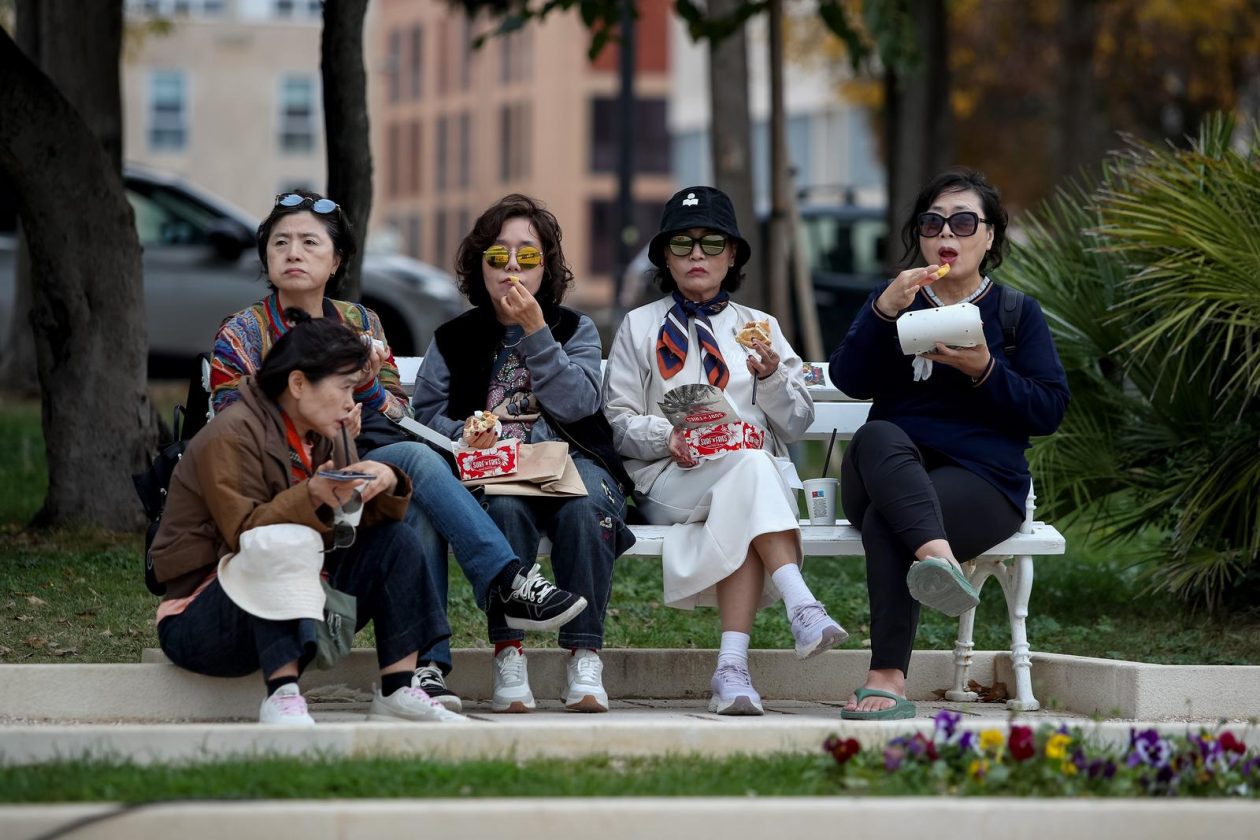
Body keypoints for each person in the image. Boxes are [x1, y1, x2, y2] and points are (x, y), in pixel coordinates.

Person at [209, 190, 587, 713]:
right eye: (281, 243)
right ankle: (506, 581)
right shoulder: (243, 331)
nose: (293, 253)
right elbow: (231, 418)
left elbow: (394, 413)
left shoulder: (362, 324)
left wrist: (365, 389)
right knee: (416, 466)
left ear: (336, 260)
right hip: (286, 473)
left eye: (308, 243)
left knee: (412, 477)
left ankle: (426, 669)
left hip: (362, 461)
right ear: (266, 256)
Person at [829, 168, 1070, 721]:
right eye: (933, 223)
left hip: (981, 484)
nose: (947, 235)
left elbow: (1049, 409)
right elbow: (847, 380)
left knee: (891, 523)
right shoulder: (897, 302)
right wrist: (885, 310)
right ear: (919, 235)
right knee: (878, 435)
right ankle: (938, 559)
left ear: (989, 236)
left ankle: (885, 679)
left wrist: (985, 369)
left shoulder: (1015, 315)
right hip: (887, 470)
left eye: (964, 223)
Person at [603, 186, 847, 716]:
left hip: (748, 481)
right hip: (671, 481)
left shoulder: (760, 329)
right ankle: (800, 605)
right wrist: (667, 437)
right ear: (665, 257)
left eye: (712, 243)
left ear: (732, 254)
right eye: (683, 244)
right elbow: (618, 423)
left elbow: (798, 423)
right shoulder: (640, 327)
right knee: (753, 476)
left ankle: (732, 672)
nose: (697, 255)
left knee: (750, 474)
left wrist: (771, 376)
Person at [151, 314, 464, 725]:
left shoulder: (326, 431)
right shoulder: (231, 434)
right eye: (345, 388)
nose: (353, 403)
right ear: (298, 384)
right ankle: (281, 695)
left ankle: (398, 689)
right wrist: (311, 494)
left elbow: (347, 526)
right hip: (202, 620)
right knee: (281, 539)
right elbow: (244, 535)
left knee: (396, 540)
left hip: (300, 600)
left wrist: (385, 481)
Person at [413, 195, 635, 713]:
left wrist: (537, 332)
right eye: (499, 256)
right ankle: (507, 653)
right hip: (497, 469)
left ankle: (584, 655)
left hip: (572, 457)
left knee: (586, 509)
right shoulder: (454, 337)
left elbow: (581, 403)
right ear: (480, 265)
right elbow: (424, 414)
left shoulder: (573, 328)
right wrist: (464, 434)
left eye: (528, 256)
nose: (512, 266)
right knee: (505, 510)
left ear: (546, 266)